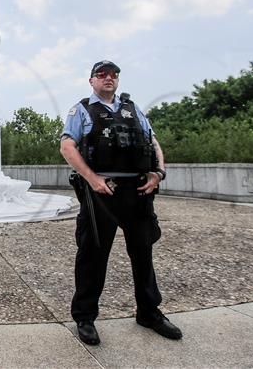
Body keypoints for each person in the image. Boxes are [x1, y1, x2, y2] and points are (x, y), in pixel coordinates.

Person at [60, 60, 181, 345]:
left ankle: (149, 312)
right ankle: (85, 317)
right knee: (92, 255)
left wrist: (158, 173)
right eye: (102, 74)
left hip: (138, 191)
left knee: (143, 253)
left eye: (114, 74)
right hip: (102, 192)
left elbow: (153, 142)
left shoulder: (133, 109)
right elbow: (67, 146)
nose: (109, 78)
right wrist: (91, 178)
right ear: (91, 81)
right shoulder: (82, 110)